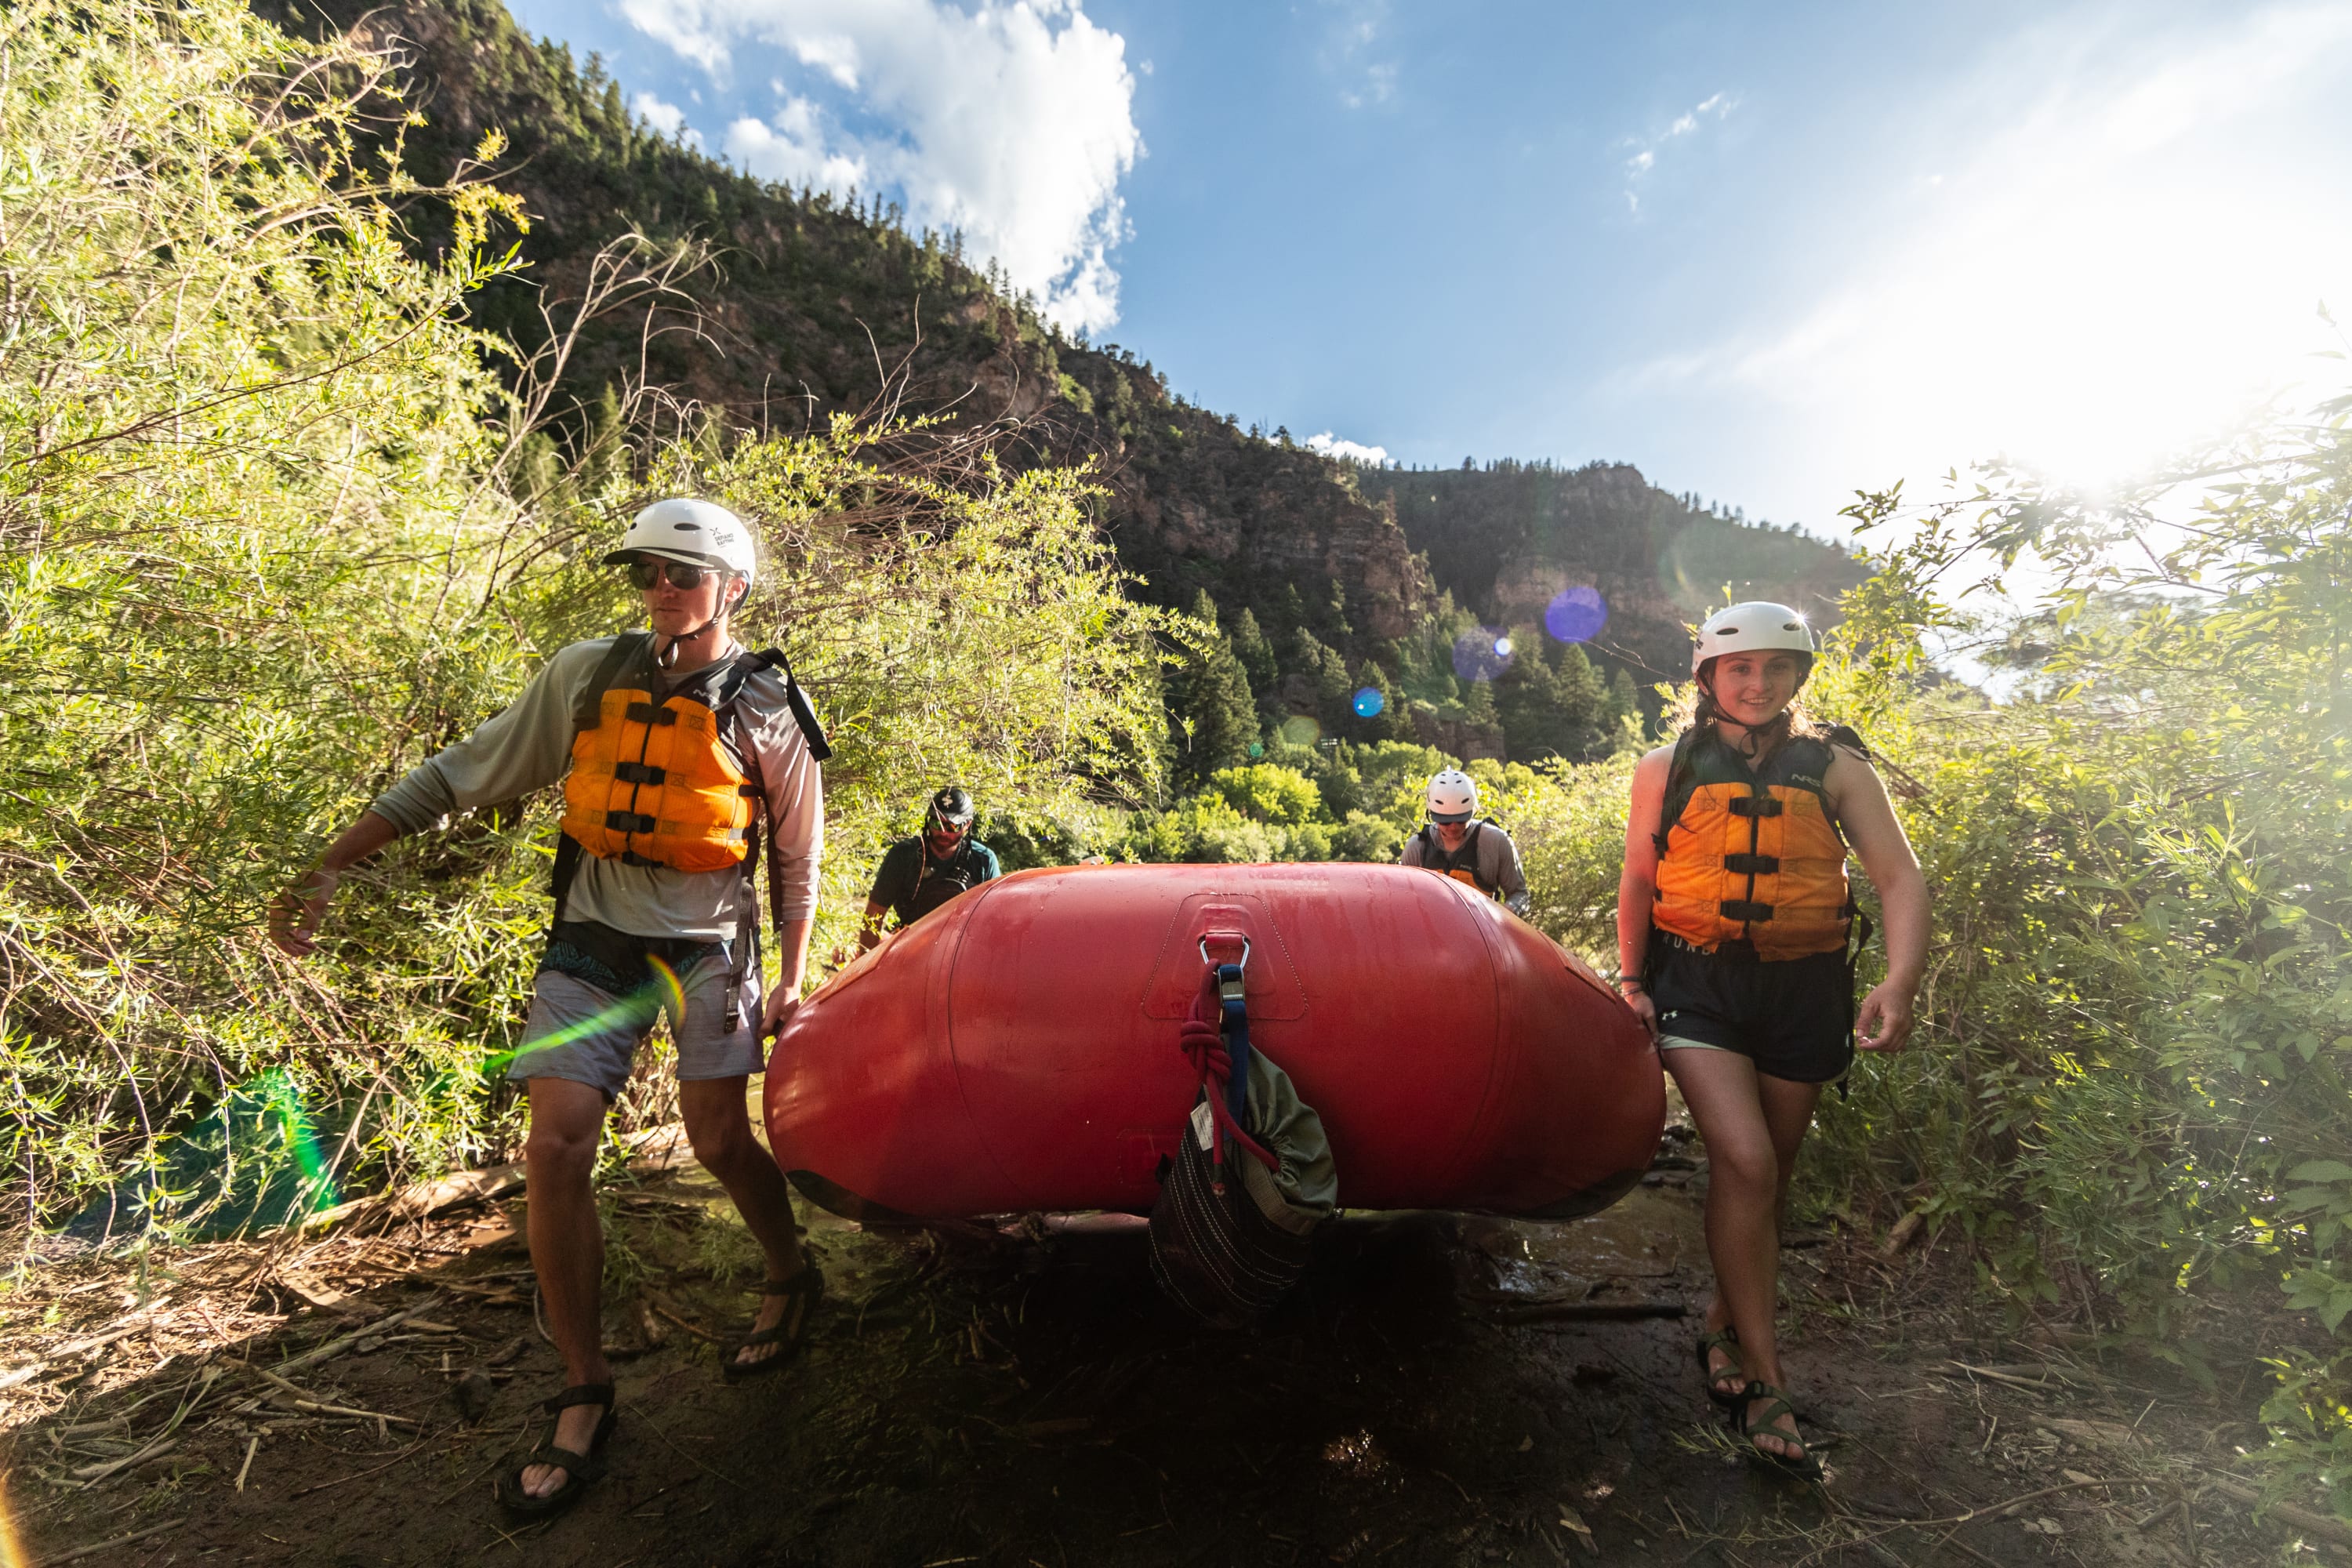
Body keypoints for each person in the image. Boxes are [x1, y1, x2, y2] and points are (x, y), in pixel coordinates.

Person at [267, 499, 829, 1518]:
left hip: (709, 948)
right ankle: (585, 1387)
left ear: (732, 587)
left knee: (715, 1140)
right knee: (555, 1146)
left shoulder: (767, 706)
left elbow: (796, 851)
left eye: (683, 573)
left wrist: (792, 971)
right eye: (648, 572)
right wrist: (332, 864)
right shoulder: (586, 673)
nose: (661, 589)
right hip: (595, 936)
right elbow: (462, 770)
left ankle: (791, 1271)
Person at [1614, 601, 1927, 1477]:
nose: (1758, 683)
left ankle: (1722, 1321)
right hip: (1697, 985)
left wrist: (1897, 980)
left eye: (1777, 669)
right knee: (1747, 1163)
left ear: (1798, 679)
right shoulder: (1664, 767)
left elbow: (1899, 877)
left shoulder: (1838, 768)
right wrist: (1634, 979)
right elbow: (1640, 880)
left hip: (1804, 988)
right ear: (1708, 677)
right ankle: (1767, 1376)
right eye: (1740, 668)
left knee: (1771, 1176)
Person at [857, 786, 1000, 950]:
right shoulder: (903, 855)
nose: (943, 833)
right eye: (936, 824)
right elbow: (874, 914)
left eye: (952, 826)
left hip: (960, 949)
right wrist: (866, 966)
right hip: (909, 945)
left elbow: (993, 923)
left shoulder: (984, 860)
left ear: (968, 825)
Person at [1399, 768, 1530, 915]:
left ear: (1474, 811)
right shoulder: (1417, 848)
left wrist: (1505, 915)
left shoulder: (1496, 843)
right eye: (1445, 821)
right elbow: (1404, 901)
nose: (1454, 827)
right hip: (1432, 931)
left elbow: (1520, 895)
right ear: (1432, 815)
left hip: (1482, 930)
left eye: (1461, 819)